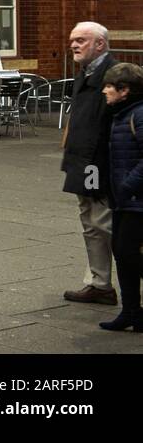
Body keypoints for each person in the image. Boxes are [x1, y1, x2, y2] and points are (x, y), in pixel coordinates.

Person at [60, 21, 118, 305]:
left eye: (81, 40)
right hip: (81, 160)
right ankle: (100, 284)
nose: (74, 45)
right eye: (73, 40)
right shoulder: (86, 72)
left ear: (100, 44)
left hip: (98, 162)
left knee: (104, 223)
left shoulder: (115, 75)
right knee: (91, 222)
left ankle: (109, 284)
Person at [99, 63, 143, 331]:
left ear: (124, 90)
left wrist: (127, 186)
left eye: (109, 86)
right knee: (123, 254)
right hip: (124, 200)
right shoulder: (120, 114)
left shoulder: (138, 115)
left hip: (137, 200)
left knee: (128, 254)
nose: (104, 90)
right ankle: (131, 312)